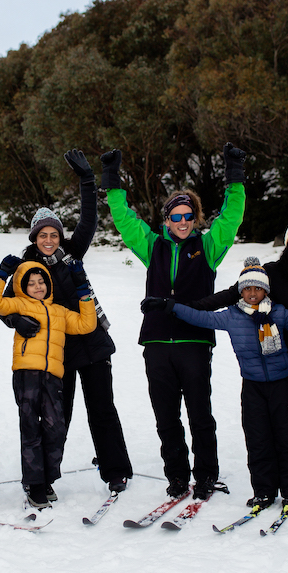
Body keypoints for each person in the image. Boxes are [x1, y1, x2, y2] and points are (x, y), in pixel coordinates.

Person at [106, 144, 247, 500]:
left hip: (195, 342)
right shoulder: (152, 246)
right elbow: (124, 220)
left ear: (195, 219)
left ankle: (206, 475)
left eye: (188, 216)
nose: (182, 222)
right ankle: (177, 476)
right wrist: (111, 180)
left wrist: (235, 175)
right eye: (176, 217)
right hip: (156, 343)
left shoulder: (209, 246)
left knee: (200, 414)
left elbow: (231, 217)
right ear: (166, 220)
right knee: (166, 416)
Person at [0, 149, 133, 493]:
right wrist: (16, 321)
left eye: (53, 234)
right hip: (54, 352)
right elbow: (6, 305)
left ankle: (115, 470)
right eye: (42, 235)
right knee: (58, 417)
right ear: (34, 238)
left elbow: (89, 221)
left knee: (103, 408)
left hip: (93, 343)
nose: (48, 240)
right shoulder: (26, 268)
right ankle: (44, 477)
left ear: (59, 237)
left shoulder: (72, 254)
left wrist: (87, 180)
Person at [194, 217, 288, 508]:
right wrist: (191, 307)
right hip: (282, 357)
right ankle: (272, 485)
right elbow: (233, 292)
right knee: (274, 423)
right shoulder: (272, 272)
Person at [153, 258, 288, 519]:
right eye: (247, 289)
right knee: (257, 440)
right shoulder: (232, 315)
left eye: (257, 289)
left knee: (286, 438)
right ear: (240, 291)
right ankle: (263, 490)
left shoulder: (278, 312)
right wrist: (169, 306)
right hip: (252, 387)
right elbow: (200, 317)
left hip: (281, 386)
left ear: (266, 290)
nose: (252, 294)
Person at [0, 256, 98, 508]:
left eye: (41, 282)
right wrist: (2, 274)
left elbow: (86, 324)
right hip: (27, 373)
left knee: (55, 428)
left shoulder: (59, 311)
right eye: (31, 283)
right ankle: (35, 484)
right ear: (22, 287)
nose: (38, 287)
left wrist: (83, 291)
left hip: (53, 375)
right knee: (31, 428)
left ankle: (47, 478)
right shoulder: (19, 305)